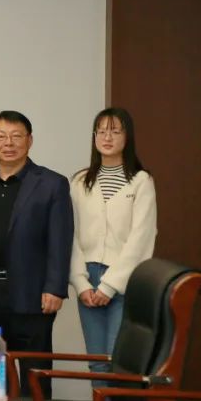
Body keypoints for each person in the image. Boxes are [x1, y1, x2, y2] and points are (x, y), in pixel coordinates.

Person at [0, 110, 73, 397]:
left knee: (34, 375)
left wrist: (55, 287)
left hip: (33, 294)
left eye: (16, 136)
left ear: (30, 141)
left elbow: (60, 239)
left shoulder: (51, 183)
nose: (9, 143)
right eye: (1, 136)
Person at [70, 108, 156, 375]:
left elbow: (141, 237)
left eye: (115, 131)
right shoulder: (80, 181)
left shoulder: (141, 181)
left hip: (125, 281)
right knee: (96, 361)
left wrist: (109, 286)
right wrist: (80, 283)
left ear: (127, 137)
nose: (107, 137)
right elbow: (71, 235)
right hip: (88, 278)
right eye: (101, 131)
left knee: (116, 360)